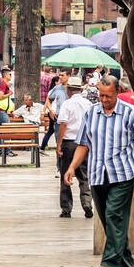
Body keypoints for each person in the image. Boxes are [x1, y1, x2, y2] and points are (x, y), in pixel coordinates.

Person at [64, 75, 134, 267]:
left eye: (108, 96)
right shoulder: (91, 113)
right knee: (108, 220)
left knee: (114, 215)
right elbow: (83, 144)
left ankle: (110, 262)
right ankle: (127, 263)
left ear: (117, 92)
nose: (104, 100)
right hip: (97, 175)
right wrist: (71, 168)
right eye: (101, 96)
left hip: (123, 174)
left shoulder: (131, 114)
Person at [55, 77, 94, 218]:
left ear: (69, 90)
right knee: (84, 176)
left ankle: (66, 209)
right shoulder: (88, 104)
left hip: (69, 143)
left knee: (66, 174)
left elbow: (63, 124)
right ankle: (87, 205)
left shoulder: (67, 104)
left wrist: (58, 144)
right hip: (83, 143)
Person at [41, 69, 69, 152]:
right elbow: (49, 100)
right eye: (60, 75)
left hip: (70, 118)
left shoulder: (73, 88)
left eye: (63, 75)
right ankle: (59, 164)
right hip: (58, 117)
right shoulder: (56, 88)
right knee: (58, 142)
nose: (60, 77)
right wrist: (50, 110)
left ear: (68, 76)